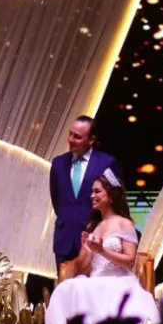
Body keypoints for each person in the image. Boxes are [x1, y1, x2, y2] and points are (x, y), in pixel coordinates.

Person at [44, 169, 159, 324]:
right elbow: (81, 269)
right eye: (92, 192)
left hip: (119, 281)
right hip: (94, 280)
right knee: (65, 289)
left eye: (97, 191)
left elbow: (129, 262)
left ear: (110, 196)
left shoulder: (124, 224)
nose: (92, 196)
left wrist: (103, 251)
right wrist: (87, 249)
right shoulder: (92, 226)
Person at [48, 116, 123, 281]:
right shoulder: (58, 164)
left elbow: (117, 201)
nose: (71, 139)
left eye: (77, 136)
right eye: (70, 134)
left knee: (93, 292)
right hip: (64, 240)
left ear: (92, 140)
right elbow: (57, 201)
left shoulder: (106, 163)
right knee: (65, 290)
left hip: (96, 241)